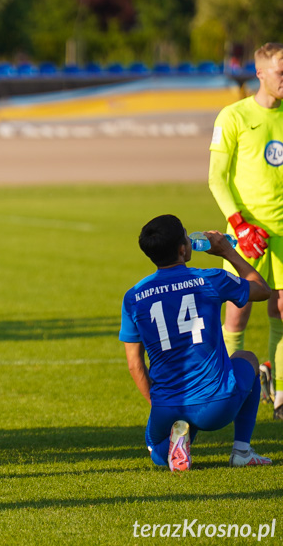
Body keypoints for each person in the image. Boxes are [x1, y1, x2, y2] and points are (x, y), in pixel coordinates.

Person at [119, 214, 272, 471]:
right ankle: (242, 451)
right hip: (216, 406)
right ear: (182, 249)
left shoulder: (133, 297)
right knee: (247, 358)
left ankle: (178, 440)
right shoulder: (210, 279)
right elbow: (262, 289)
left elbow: (135, 365)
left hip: (168, 406)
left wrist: (161, 405)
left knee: (157, 452)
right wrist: (227, 252)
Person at [209, 42, 283, 420]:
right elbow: (216, 179)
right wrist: (239, 223)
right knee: (237, 314)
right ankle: (225, 387)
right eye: (281, 71)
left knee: (282, 309)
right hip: (247, 235)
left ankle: (281, 392)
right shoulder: (233, 116)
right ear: (260, 73)